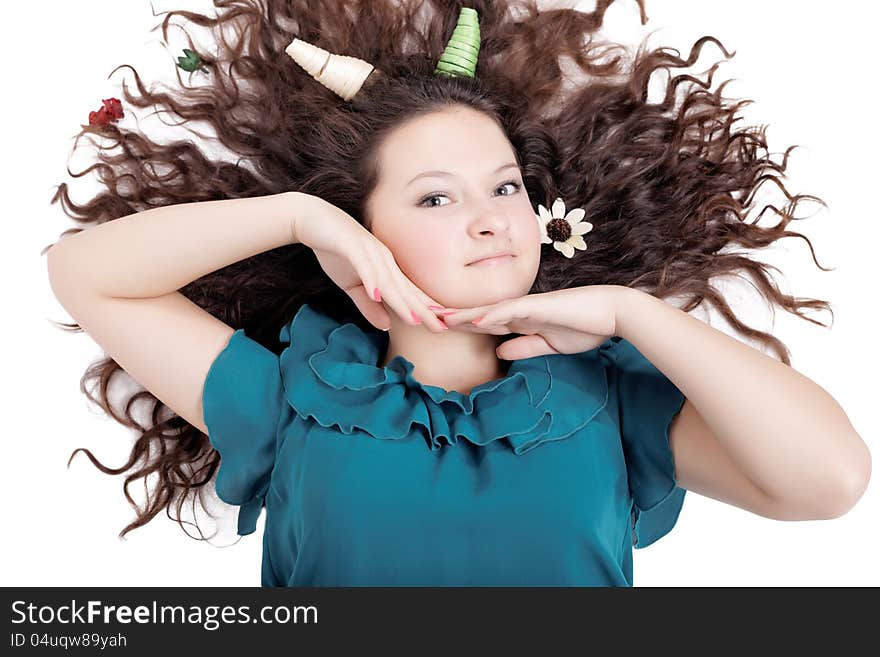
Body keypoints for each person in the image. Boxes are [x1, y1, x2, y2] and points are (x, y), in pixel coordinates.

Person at [45, 0, 870, 586]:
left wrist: (636, 314)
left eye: (505, 188)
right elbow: (83, 274)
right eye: (436, 197)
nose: (489, 220)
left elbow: (831, 479)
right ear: (363, 232)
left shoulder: (613, 399)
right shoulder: (294, 399)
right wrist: (300, 218)